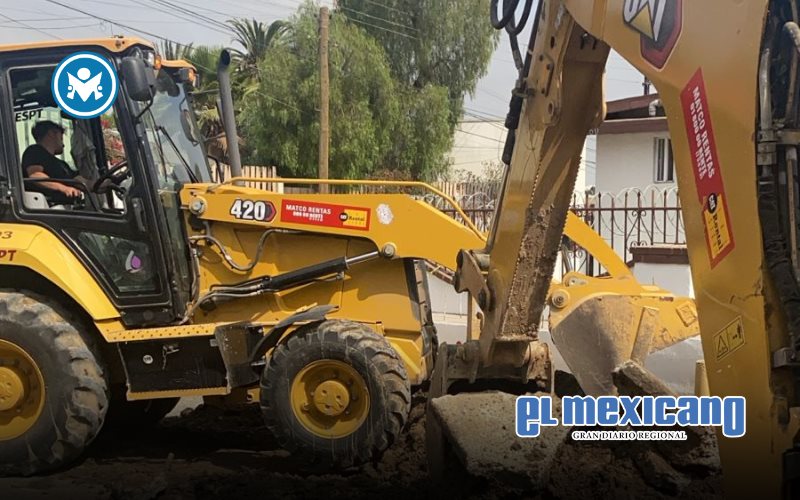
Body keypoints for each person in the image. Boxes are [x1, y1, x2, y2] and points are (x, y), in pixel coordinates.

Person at [22, 120, 82, 201]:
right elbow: (35, 175)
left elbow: (77, 180)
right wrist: (64, 188)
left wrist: (95, 184)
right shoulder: (34, 151)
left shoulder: (62, 164)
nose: (63, 145)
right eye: (61, 138)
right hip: (46, 207)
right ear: (51, 134)